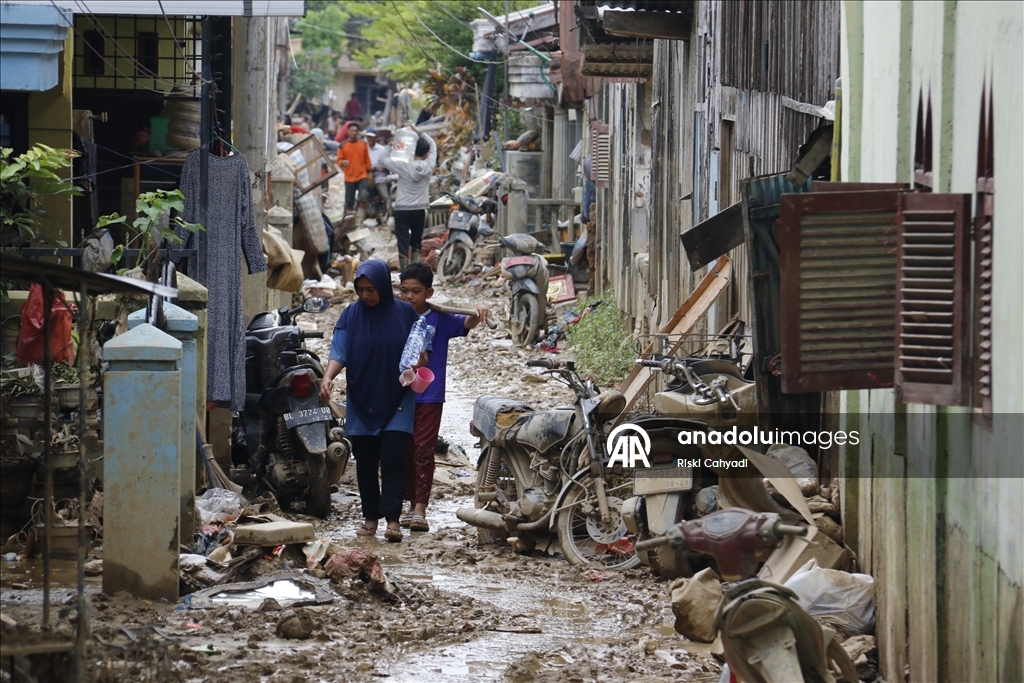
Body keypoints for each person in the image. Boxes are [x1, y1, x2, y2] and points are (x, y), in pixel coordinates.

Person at [320, 259, 428, 543]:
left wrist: (416, 363)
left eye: (371, 289)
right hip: (361, 395)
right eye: (361, 289)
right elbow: (339, 353)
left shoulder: (405, 314)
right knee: (366, 462)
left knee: (393, 459)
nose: (366, 295)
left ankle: (392, 519)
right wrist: (328, 377)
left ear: (382, 285)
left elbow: (422, 352)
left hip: (398, 397)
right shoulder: (350, 316)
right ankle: (370, 518)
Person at [397, 263, 491, 532]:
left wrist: (479, 313)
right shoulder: (395, 316)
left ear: (429, 292)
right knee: (402, 450)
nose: (409, 297)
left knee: (423, 451)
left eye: (416, 291)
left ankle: (419, 509)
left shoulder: (440, 319)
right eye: (404, 290)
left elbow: (467, 322)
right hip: (398, 394)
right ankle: (406, 501)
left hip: (429, 396)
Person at [378, 123, 437, 268]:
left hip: (402, 209)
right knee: (417, 240)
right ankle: (416, 268)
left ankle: (405, 269)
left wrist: (393, 144)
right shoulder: (429, 166)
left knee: (403, 240)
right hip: (419, 209)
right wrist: (419, 131)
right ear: (427, 153)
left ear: (412, 150)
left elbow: (382, 159)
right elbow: (433, 144)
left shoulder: (404, 166)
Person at [336, 122, 373, 216]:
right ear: (348, 132)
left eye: (356, 131)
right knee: (349, 200)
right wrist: (342, 162)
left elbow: (367, 160)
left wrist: (370, 174)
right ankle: (348, 219)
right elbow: (339, 160)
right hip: (349, 176)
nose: (353, 133)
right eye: (352, 130)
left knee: (364, 196)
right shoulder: (342, 145)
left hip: (362, 175)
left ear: (358, 132)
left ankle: (360, 218)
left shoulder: (363, 144)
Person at [365, 129, 391, 219]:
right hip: (366, 176)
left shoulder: (382, 149)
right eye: (368, 137)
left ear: (376, 138)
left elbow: (389, 163)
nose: (370, 139)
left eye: (372, 137)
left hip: (380, 176)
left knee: (385, 196)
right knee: (361, 195)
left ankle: (390, 213)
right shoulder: (364, 148)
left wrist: (382, 168)